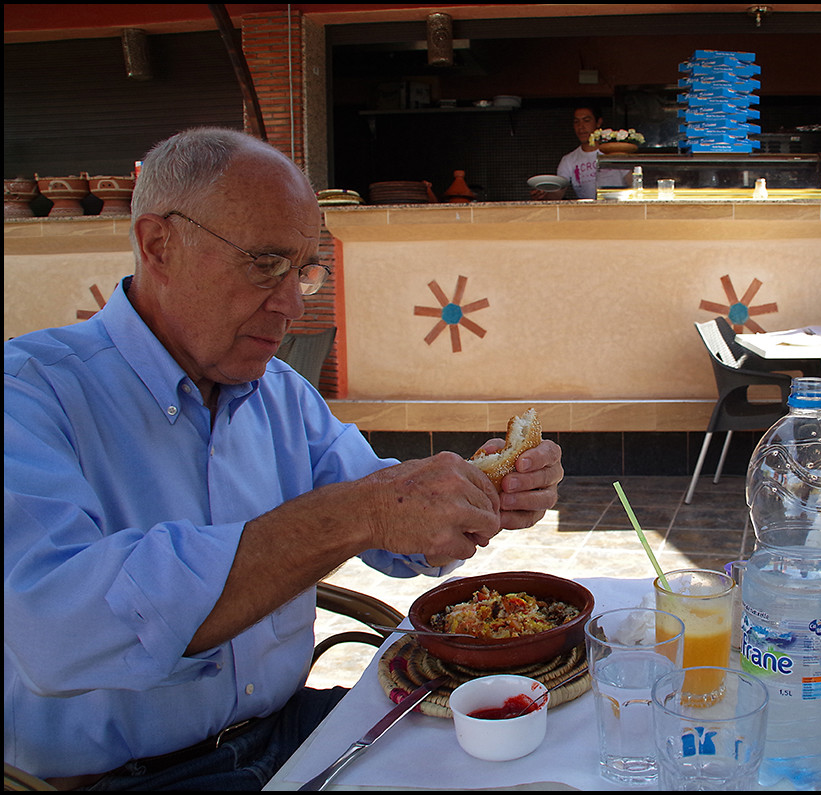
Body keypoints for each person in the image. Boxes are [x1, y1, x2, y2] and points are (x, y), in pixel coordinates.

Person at [3, 127, 564, 790]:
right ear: (160, 245)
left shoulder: (280, 395)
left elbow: (390, 523)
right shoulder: (31, 394)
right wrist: (359, 514)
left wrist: (475, 494)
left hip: (287, 730)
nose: (294, 304)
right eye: (265, 264)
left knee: (534, 761)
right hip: (122, 777)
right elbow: (63, 628)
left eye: (303, 270)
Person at [530, 104, 629, 200]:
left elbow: (633, 183)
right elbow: (558, 194)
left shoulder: (614, 152)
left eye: (586, 121)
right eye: (576, 122)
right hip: (586, 212)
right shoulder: (569, 160)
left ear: (598, 122)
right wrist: (543, 195)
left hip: (618, 209)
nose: (581, 127)